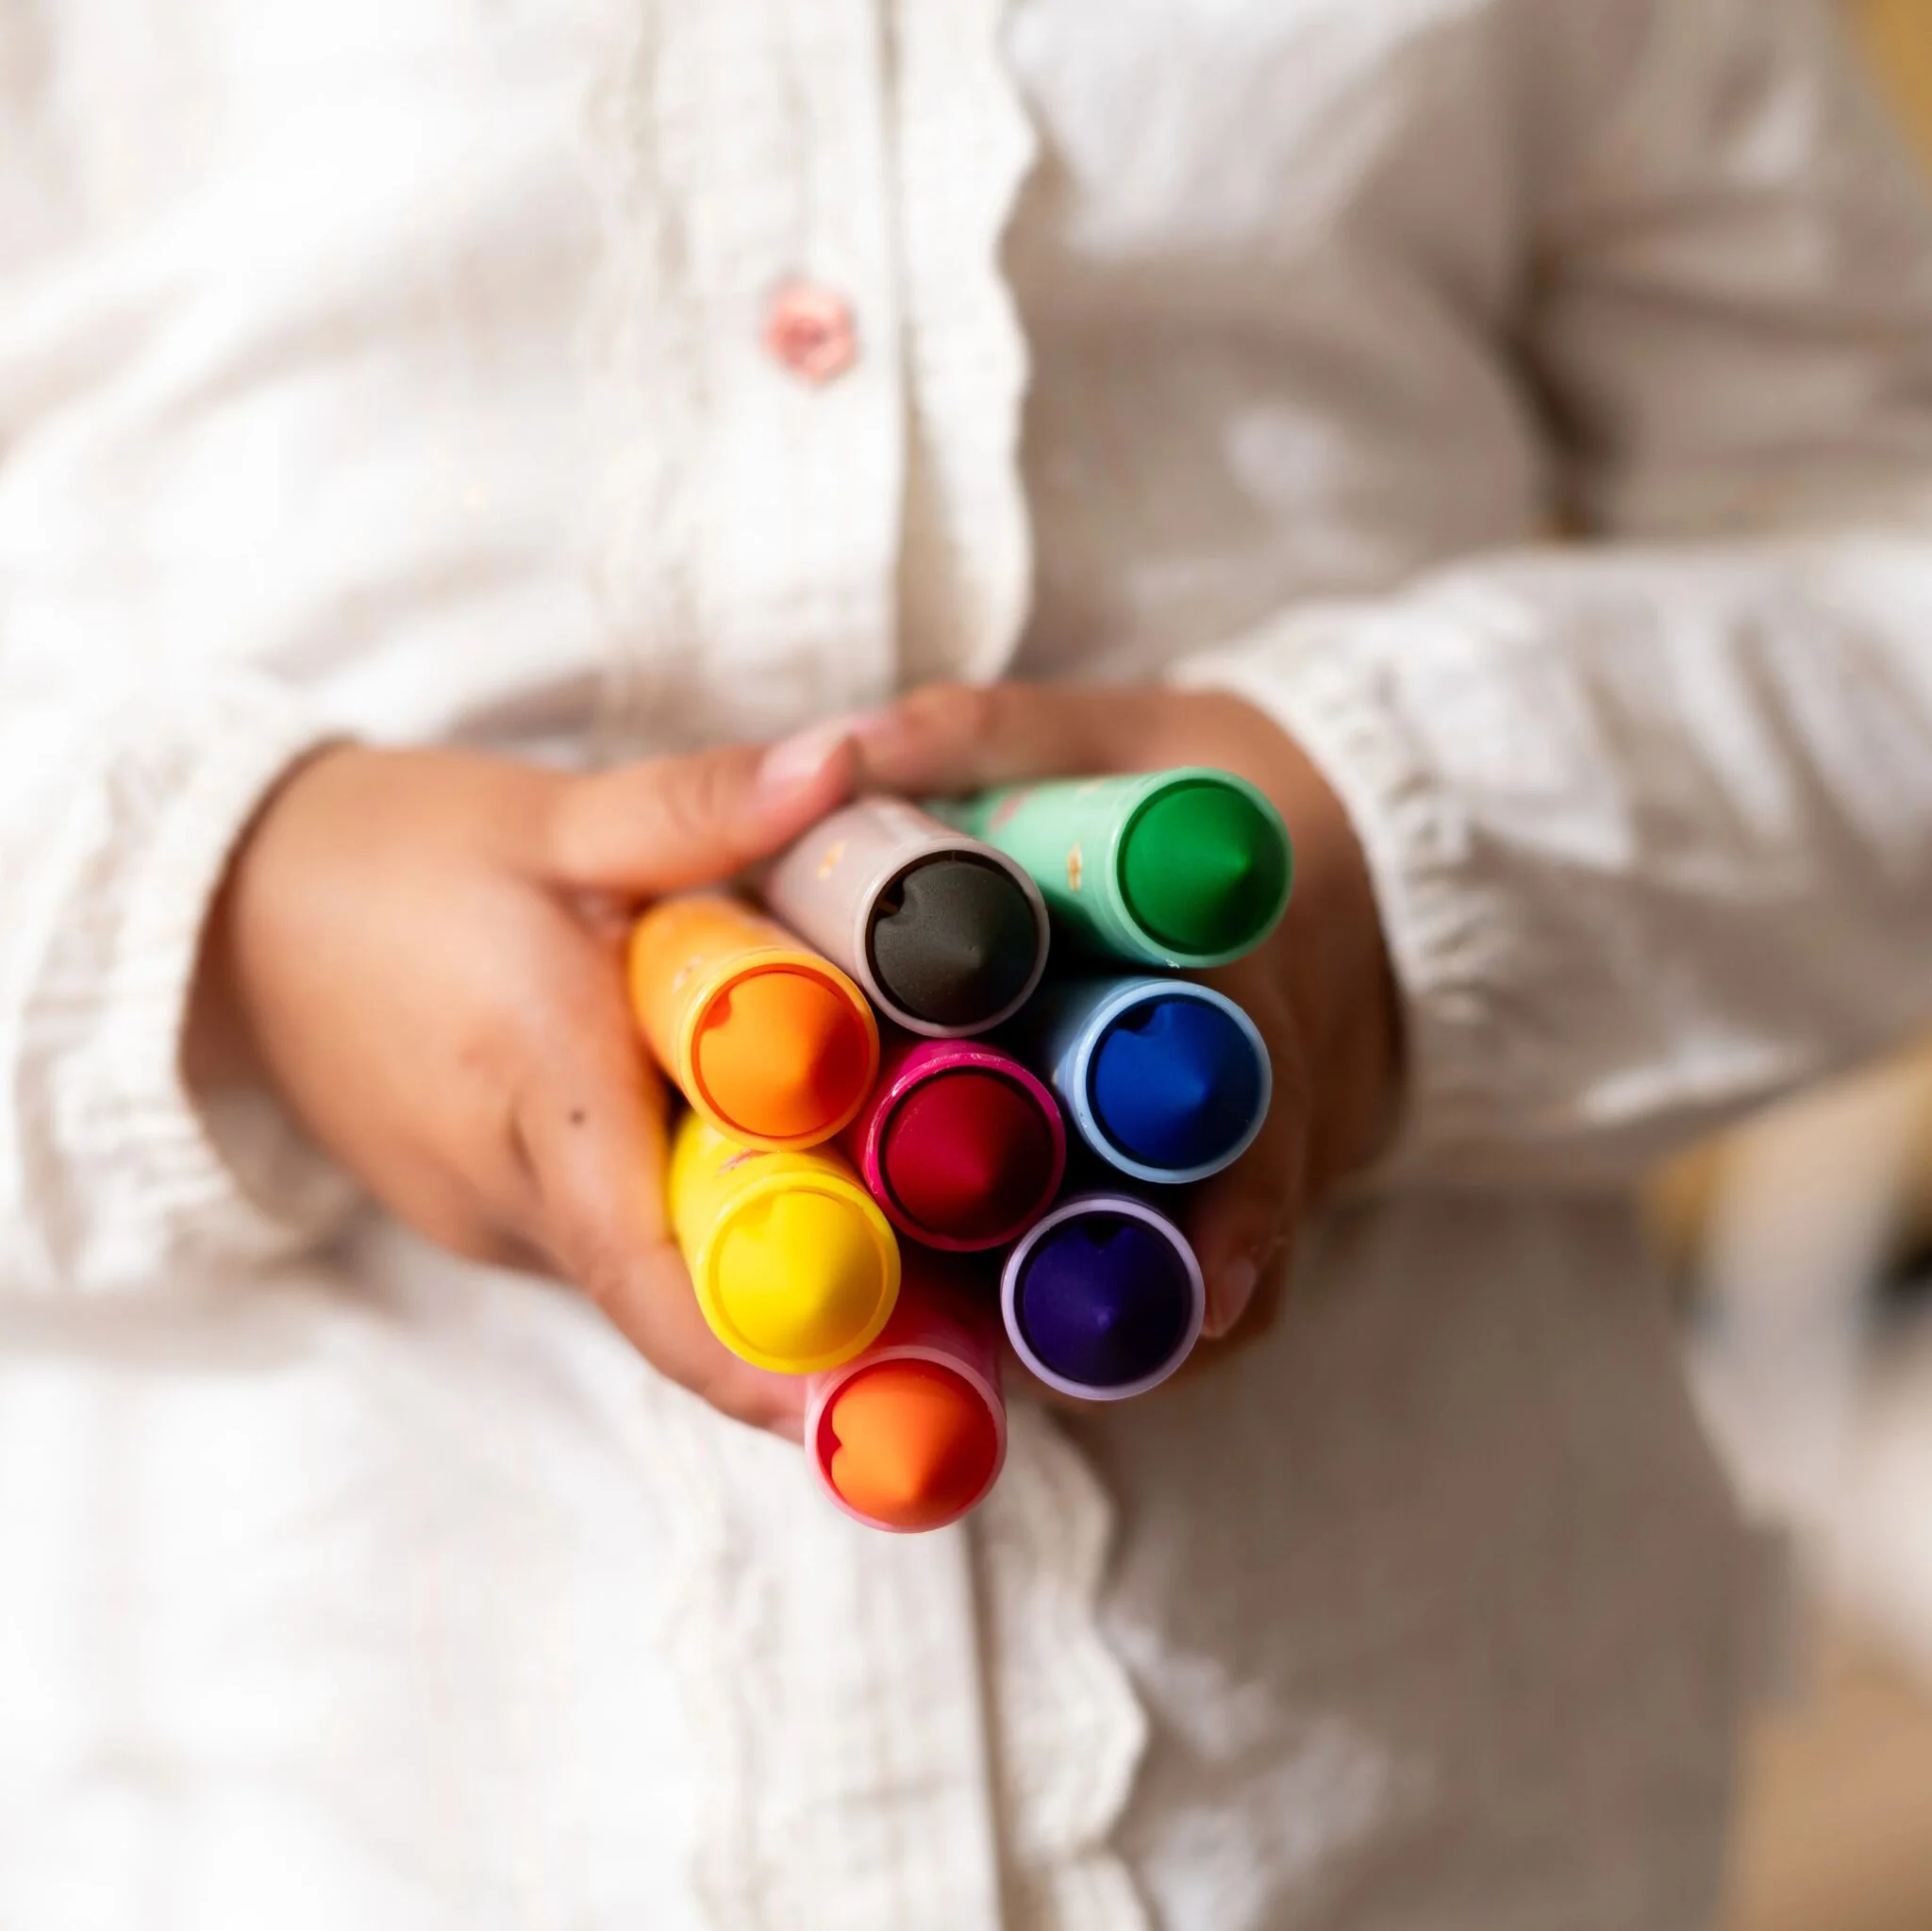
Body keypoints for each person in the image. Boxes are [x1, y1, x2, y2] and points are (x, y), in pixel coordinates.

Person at [3, 0, 1930, 1924]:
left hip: (1424, 1816)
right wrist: (238, 921)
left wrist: (1380, 841)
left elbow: (1884, 562)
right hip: (297, 1801)